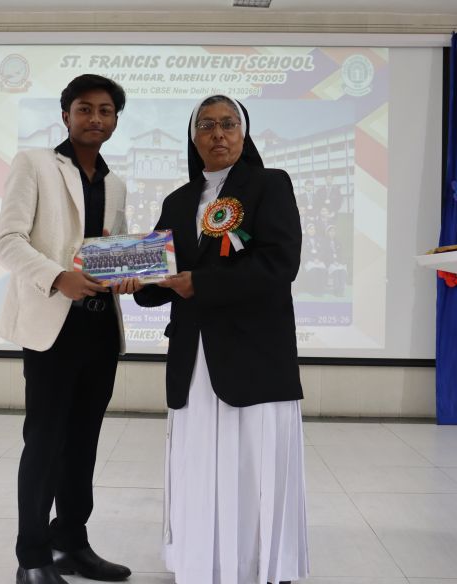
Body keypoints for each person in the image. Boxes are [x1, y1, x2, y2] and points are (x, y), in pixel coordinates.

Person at [133, 95, 308, 584]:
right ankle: (201, 562)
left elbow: (280, 264)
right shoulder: (178, 200)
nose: (218, 134)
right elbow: (160, 278)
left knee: (253, 464)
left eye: (228, 124)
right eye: (207, 125)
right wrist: (131, 274)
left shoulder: (270, 185)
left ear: (243, 133)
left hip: (254, 356)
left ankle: (258, 566)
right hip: (194, 358)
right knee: (199, 464)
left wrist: (202, 284)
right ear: (193, 138)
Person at [0, 74, 138, 584]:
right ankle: (32, 557)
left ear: (115, 120)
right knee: (45, 443)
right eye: (84, 109)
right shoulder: (34, 163)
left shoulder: (115, 182)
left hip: (100, 330)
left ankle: (71, 542)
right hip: (52, 327)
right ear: (65, 115)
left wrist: (128, 273)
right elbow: (7, 240)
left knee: (83, 443)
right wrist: (59, 277)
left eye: (105, 111)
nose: (95, 118)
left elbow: (113, 249)